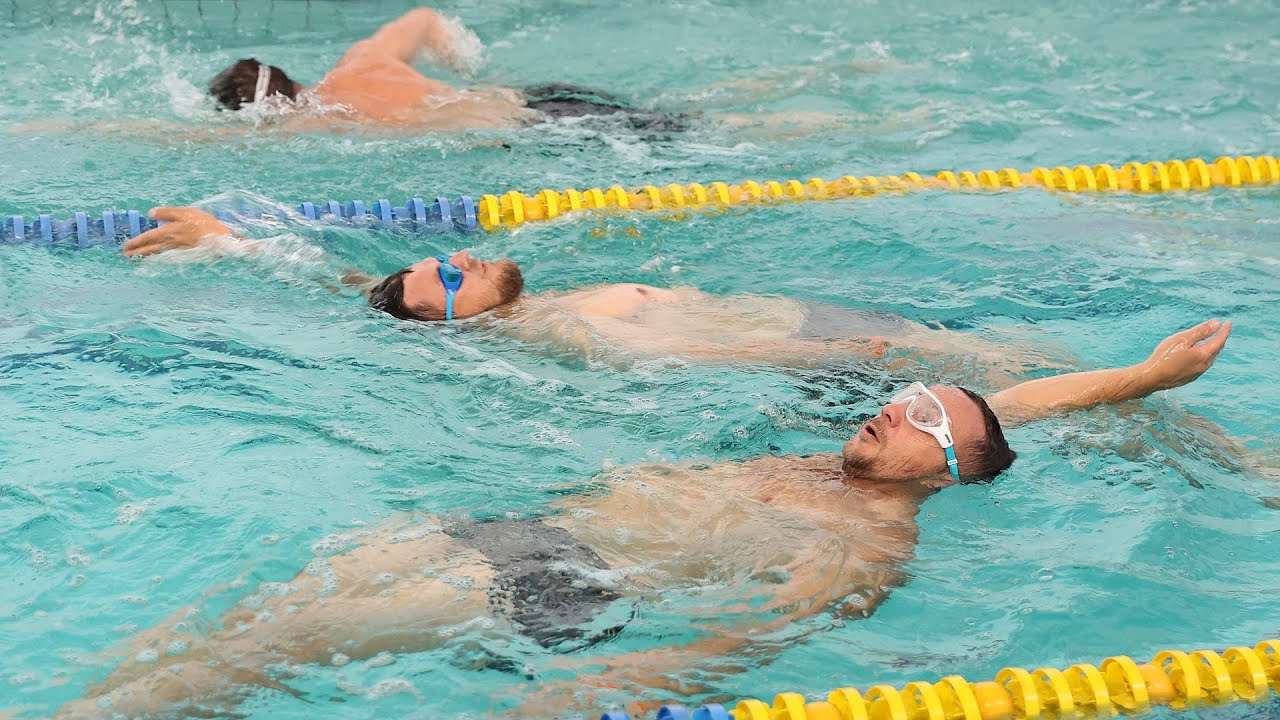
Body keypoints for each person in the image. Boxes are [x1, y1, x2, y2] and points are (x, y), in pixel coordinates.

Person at [49, 318, 1230, 719]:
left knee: (273, 649)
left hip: (561, 575)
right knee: (235, 627)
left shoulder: (876, 538)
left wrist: (626, 685)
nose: (896, 403)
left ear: (948, 472)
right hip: (507, 524)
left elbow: (764, 634)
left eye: (924, 415)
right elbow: (1018, 400)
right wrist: (1146, 376)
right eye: (901, 391)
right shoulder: (858, 463)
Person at [120, 207, 1049, 370]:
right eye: (449, 279)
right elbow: (678, 353)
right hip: (818, 346)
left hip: (818, 326)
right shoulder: (545, 334)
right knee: (1026, 372)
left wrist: (231, 242)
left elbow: (350, 283)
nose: (461, 260)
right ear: (462, 326)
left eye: (445, 258)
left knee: (1032, 363)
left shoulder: (517, 304)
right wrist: (827, 352)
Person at [207, 7, 687, 132]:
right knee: (686, 116)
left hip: (544, 127)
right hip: (533, 95)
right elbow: (425, 18)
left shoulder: (322, 118)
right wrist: (468, 73)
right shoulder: (361, 59)